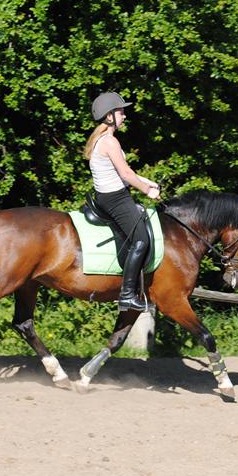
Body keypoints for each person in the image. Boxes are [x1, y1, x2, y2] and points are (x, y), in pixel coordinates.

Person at [84, 91, 160, 312]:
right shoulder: (110, 141)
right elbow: (126, 174)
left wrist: (148, 181)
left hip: (109, 196)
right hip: (116, 199)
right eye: (120, 112)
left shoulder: (101, 139)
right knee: (142, 240)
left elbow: (123, 173)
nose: (124, 116)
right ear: (109, 117)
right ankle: (127, 295)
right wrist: (147, 190)